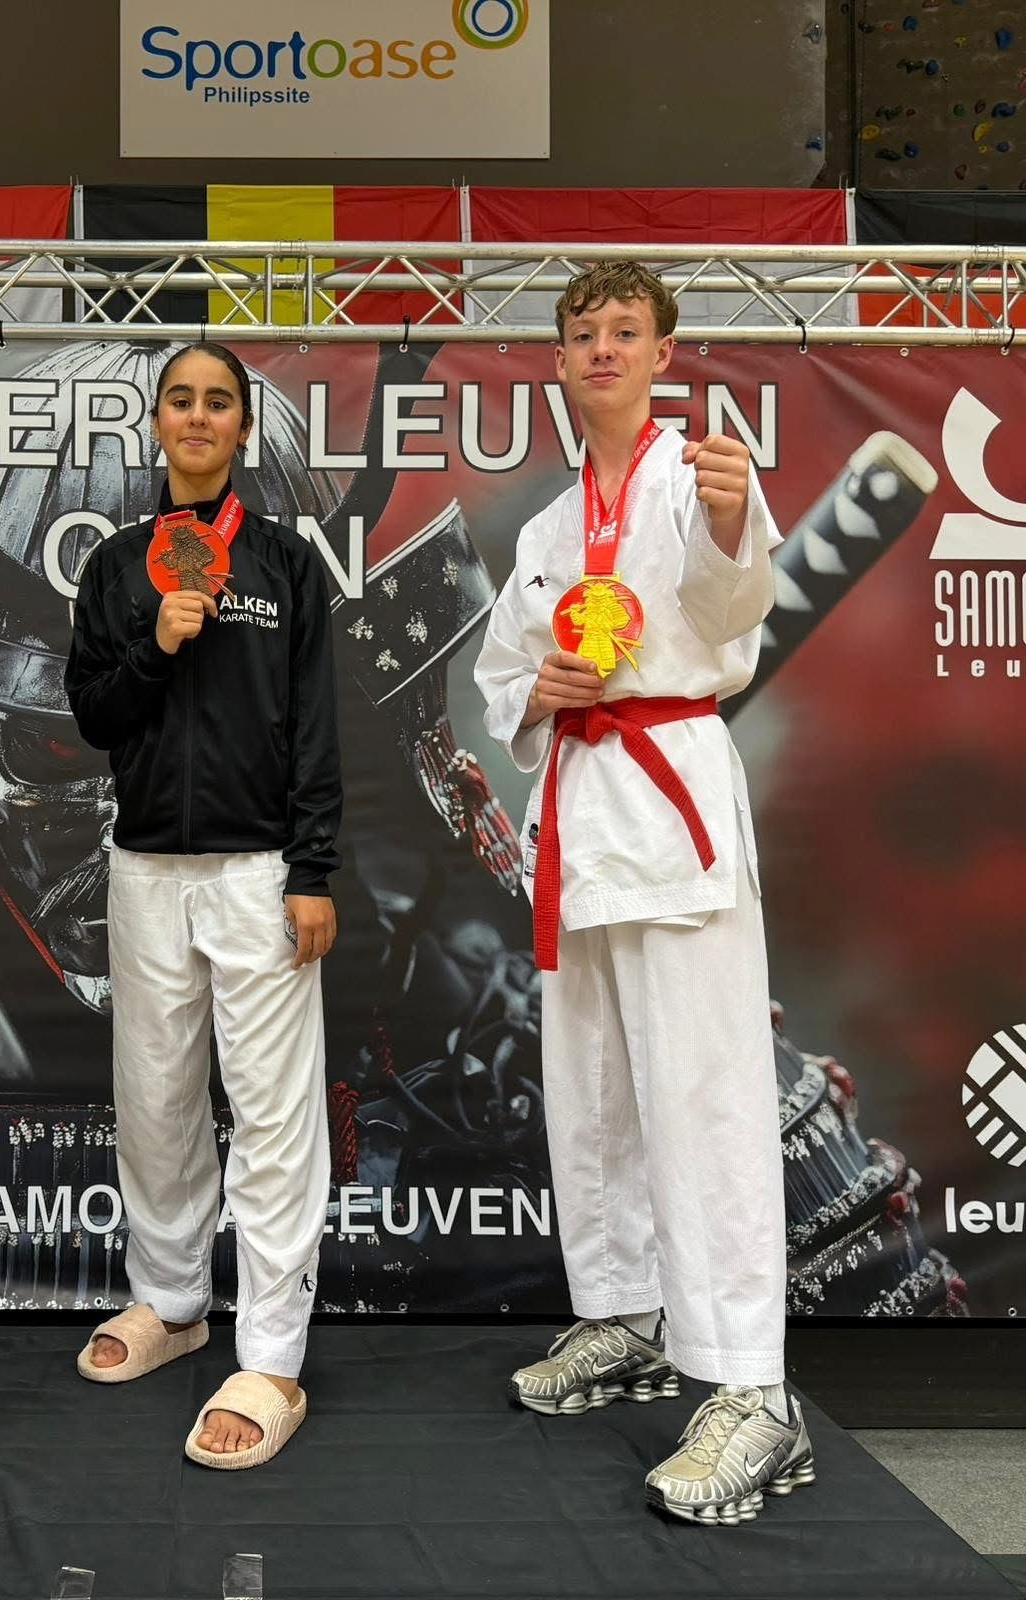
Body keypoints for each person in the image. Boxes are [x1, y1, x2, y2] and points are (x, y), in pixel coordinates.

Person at [474, 263, 813, 1525]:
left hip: (671, 798)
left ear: (664, 352)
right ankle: (624, 1315)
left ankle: (751, 1387)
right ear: (560, 360)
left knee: (703, 1095)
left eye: (625, 331)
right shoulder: (545, 531)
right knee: (594, 1089)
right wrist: (536, 693)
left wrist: (731, 523)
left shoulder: (701, 479)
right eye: (582, 334)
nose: (601, 349)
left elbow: (736, 608)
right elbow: (503, 673)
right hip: (578, 814)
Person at [65, 342, 340, 1470]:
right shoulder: (115, 564)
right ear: (156, 422)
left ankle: (270, 1355)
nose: (197, 416)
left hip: (258, 869)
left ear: (242, 429)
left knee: (272, 1117)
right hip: (143, 867)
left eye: (217, 401)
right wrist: (156, 642)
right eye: (179, 399)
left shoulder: (285, 564)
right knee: (156, 1099)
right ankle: (173, 1302)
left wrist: (312, 869)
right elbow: (92, 713)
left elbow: (316, 727)